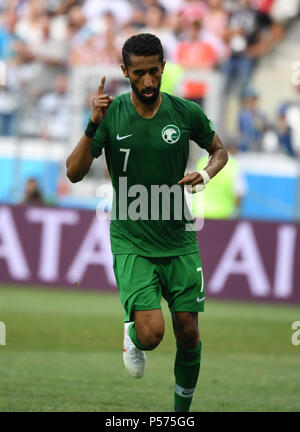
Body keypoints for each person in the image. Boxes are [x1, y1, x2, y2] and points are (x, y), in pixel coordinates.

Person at [66, 33, 228, 412]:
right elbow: (73, 173)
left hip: (179, 236)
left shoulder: (185, 112)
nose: (148, 81)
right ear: (125, 72)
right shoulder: (111, 114)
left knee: (188, 330)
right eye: (139, 73)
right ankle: (133, 333)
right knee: (152, 335)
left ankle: (180, 416)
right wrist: (92, 125)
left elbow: (219, 150)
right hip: (132, 237)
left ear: (163, 67)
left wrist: (205, 175)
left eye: (154, 71)